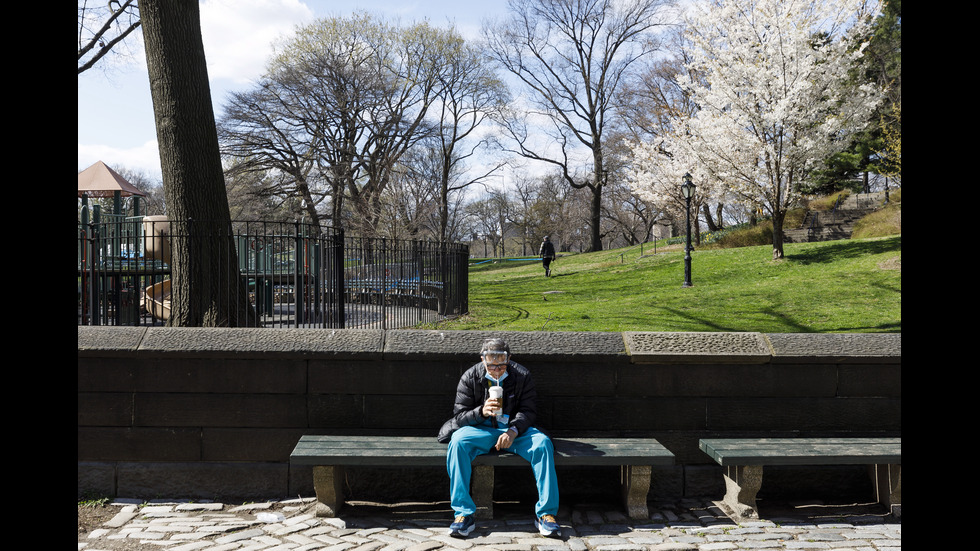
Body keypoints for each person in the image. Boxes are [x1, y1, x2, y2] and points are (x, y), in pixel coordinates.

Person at [438, 338, 561, 539]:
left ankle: (546, 513)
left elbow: (528, 412)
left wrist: (513, 431)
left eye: (502, 363)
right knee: (458, 443)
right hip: (481, 429)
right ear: (482, 360)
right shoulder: (471, 376)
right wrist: (481, 412)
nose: (496, 369)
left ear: (509, 359)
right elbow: (459, 416)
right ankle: (463, 514)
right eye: (491, 363)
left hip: (516, 431)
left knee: (542, 444)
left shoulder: (521, 376)